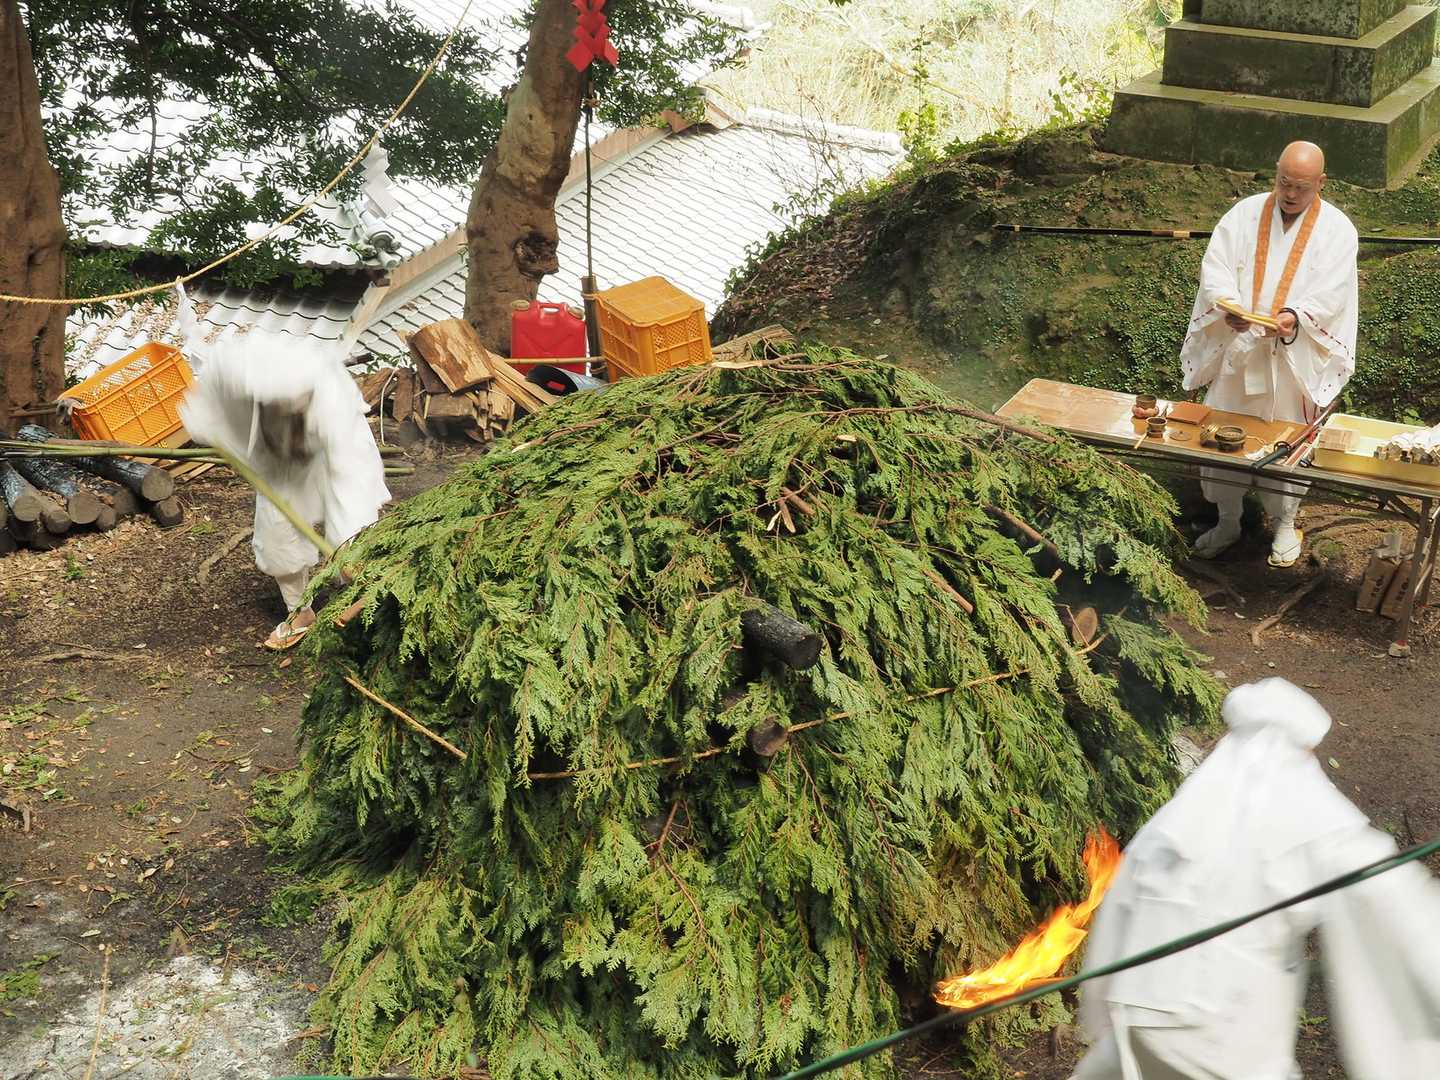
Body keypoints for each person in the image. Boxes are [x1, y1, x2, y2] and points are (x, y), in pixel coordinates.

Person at [1071, 678, 1440, 1080]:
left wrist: (1099, 1008)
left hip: (1140, 1019)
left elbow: (1118, 912)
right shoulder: (1309, 813)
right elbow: (1395, 900)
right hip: (1221, 1031)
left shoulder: (1178, 818)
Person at [1180, 142, 1359, 567]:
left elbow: (1333, 291)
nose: (1290, 194)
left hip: (1291, 357)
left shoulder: (1338, 229)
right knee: (1222, 433)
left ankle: (1284, 523)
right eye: (1284, 182)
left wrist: (1296, 316)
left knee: (1287, 438)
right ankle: (1228, 520)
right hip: (1241, 347)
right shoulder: (1243, 214)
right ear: (1275, 172)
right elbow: (1216, 267)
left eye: (1301, 187)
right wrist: (1228, 306)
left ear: (1321, 182)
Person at [177, 292, 389, 649]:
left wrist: (344, 545)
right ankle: (299, 612)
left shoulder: (331, 405)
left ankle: (365, 591)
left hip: (330, 452)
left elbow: (348, 487)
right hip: (277, 457)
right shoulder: (236, 376)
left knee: (351, 529)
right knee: (276, 534)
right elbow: (208, 415)